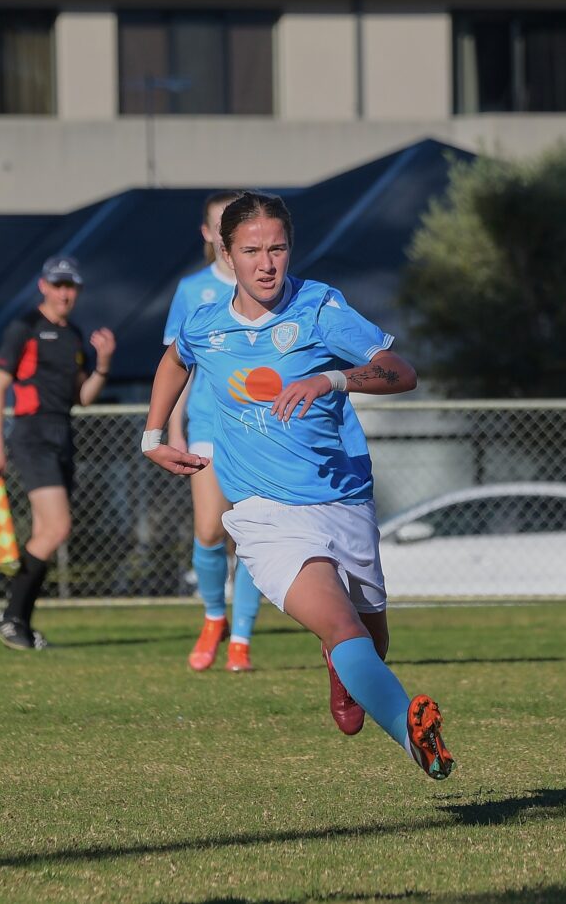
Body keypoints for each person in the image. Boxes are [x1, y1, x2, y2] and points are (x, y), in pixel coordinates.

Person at [141, 191, 453, 780]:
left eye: (277, 248)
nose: (266, 263)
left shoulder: (319, 307)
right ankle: (413, 735)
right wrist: (153, 435)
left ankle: (347, 671)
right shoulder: (205, 323)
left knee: (368, 636)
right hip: (265, 513)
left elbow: (402, 372)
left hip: (344, 500)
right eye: (252, 250)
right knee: (339, 625)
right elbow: (175, 359)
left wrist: (331, 378)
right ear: (227, 254)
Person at [0, 255, 116, 650]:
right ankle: (10, 615)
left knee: (46, 532)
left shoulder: (74, 335)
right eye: (57, 285)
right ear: (43, 286)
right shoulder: (24, 327)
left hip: (62, 434)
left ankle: (17, 621)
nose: (64, 293)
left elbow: (83, 397)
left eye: (70, 286)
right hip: (31, 434)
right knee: (58, 527)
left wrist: (104, 364)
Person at [163, 191, 262, 673]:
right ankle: (212, 617)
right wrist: (172, 429)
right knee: (208, 528)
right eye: (220, 225)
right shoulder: (191, 290)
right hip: (206, 423)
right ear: (208, 234)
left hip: (257, 427)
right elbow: (176, 366)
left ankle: (241, 638)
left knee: (248, 536)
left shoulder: (267, 285)